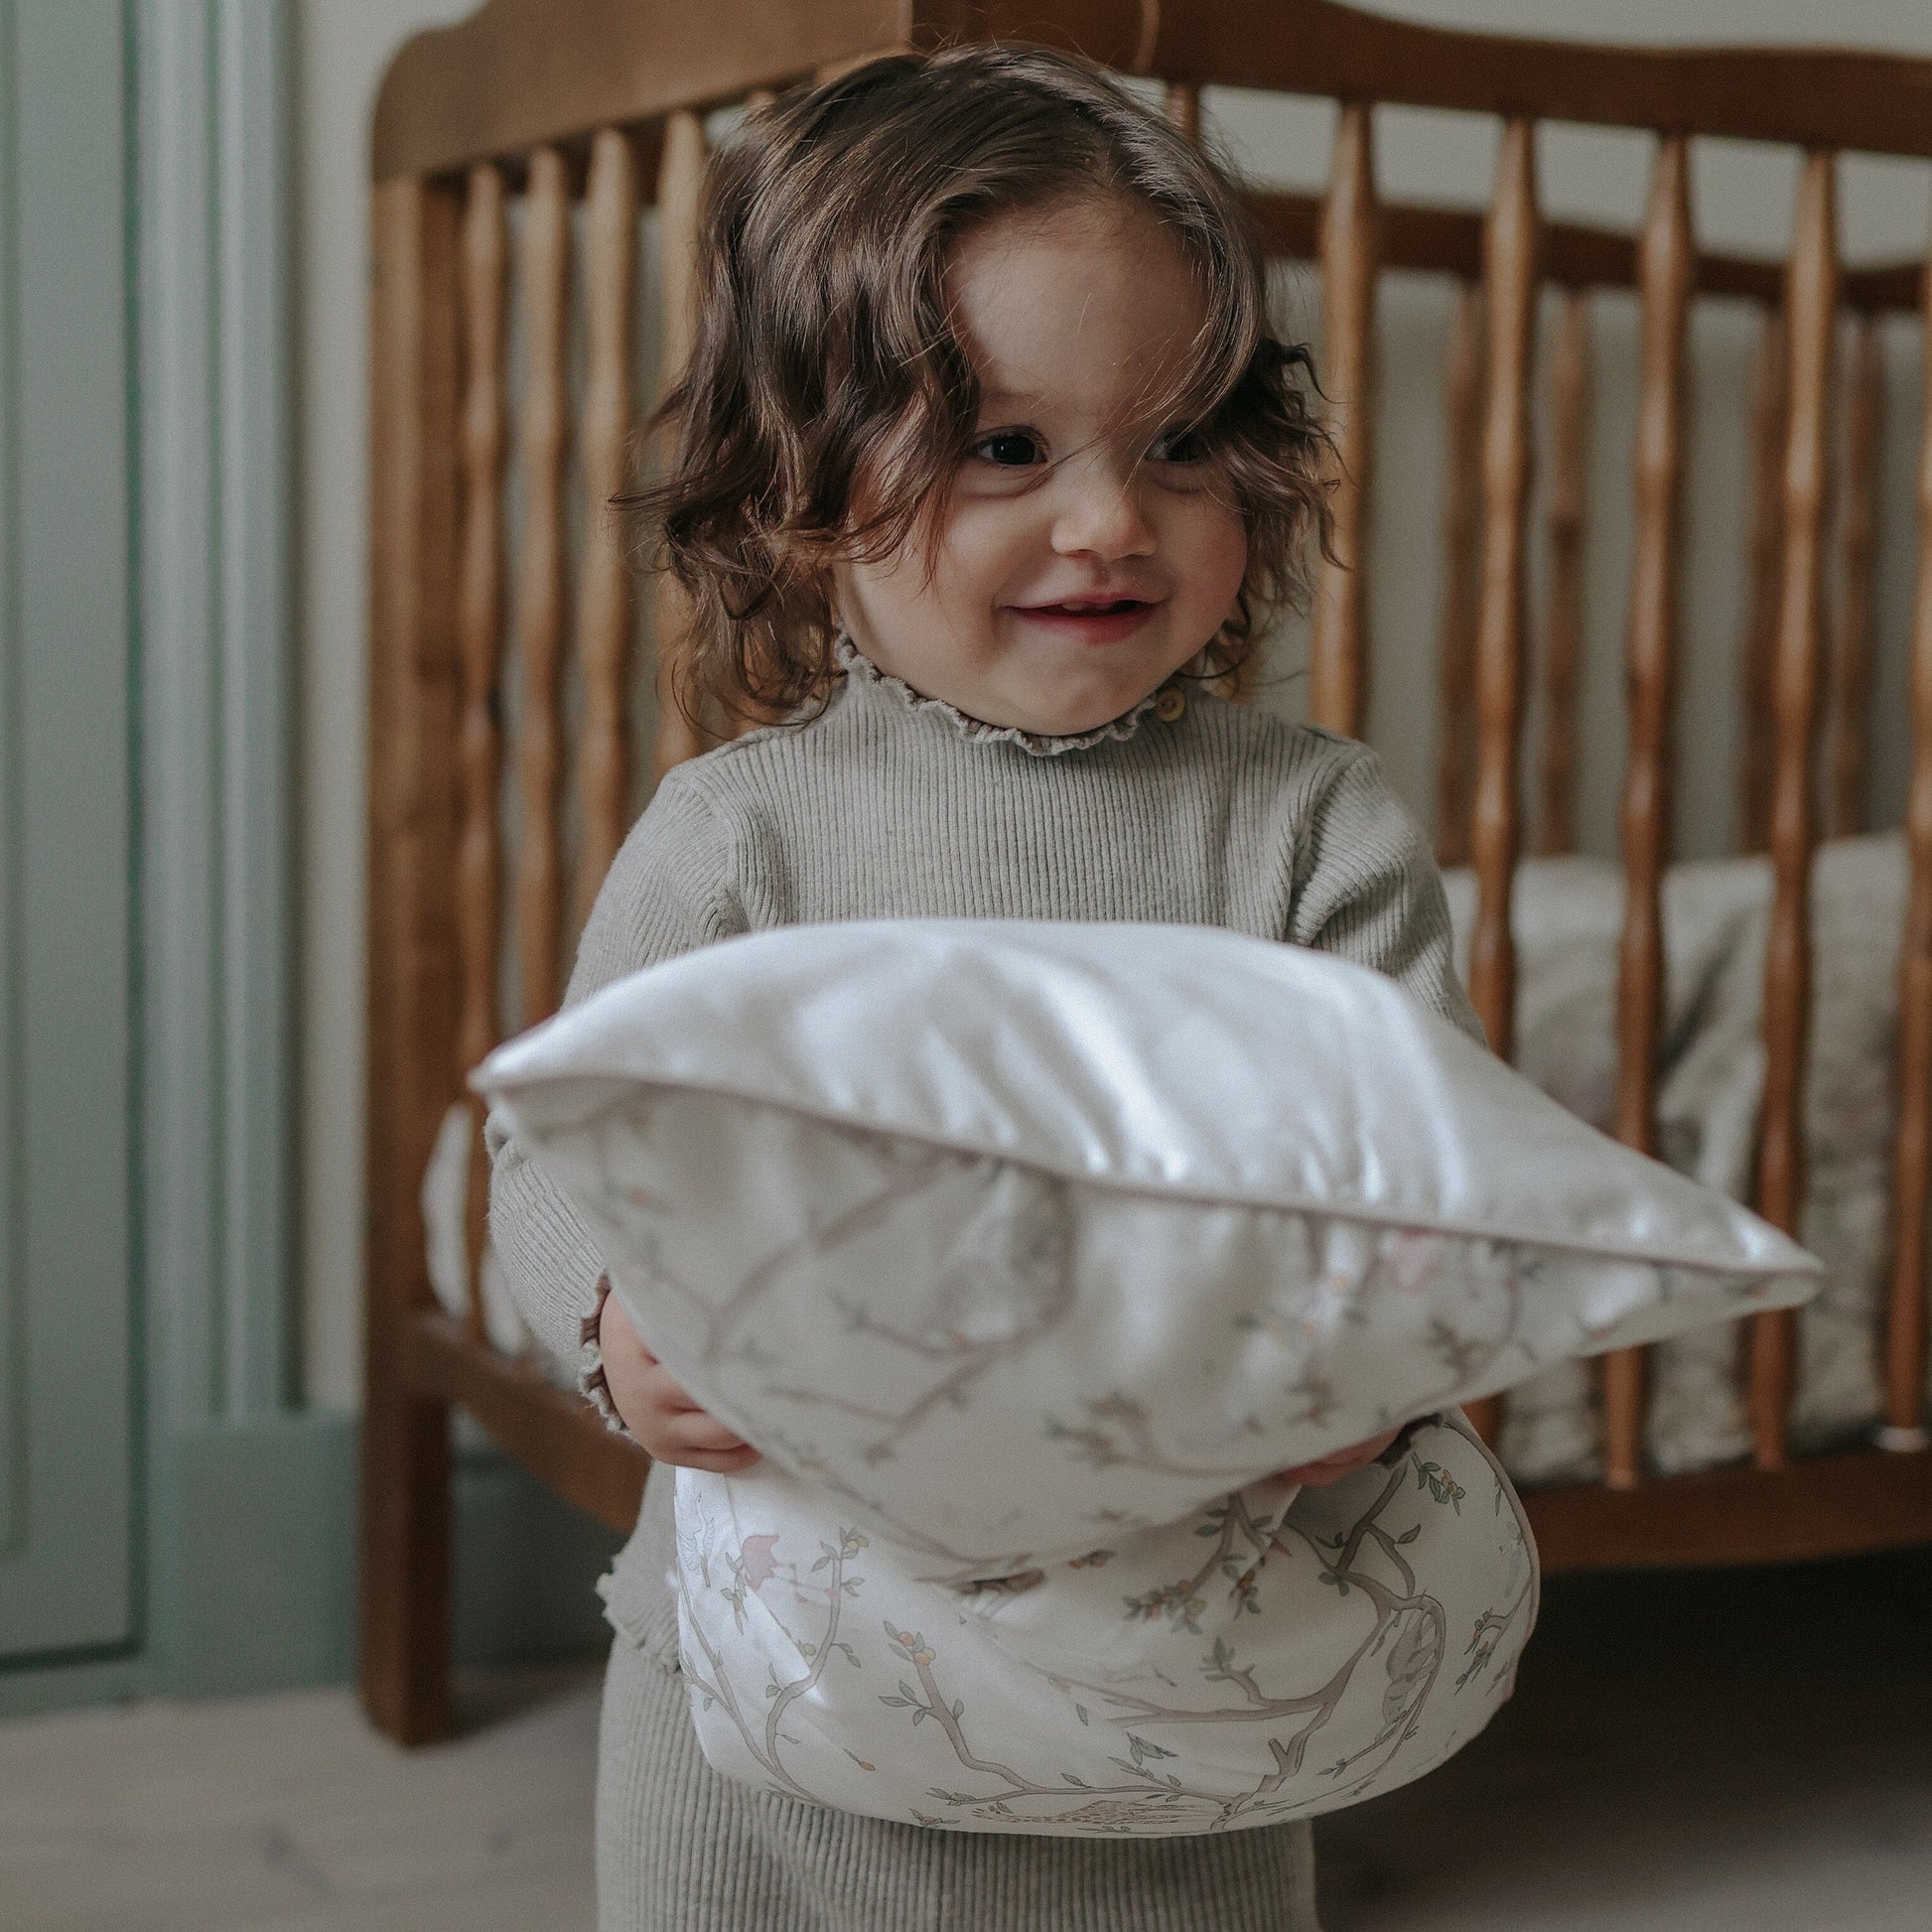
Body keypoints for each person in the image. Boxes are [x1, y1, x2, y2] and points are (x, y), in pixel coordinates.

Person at [489, 42, 1481, 1931]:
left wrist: (1373, 1355)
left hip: (1182, 1680)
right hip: (762, 1684)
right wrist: (618, 1325)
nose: (1108, 519)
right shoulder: (739, 839)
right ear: (795, 483)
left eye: (1175, 439)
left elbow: (1419, 1174)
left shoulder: (1307, 832)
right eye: (1008, 448)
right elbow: (558, 1149)